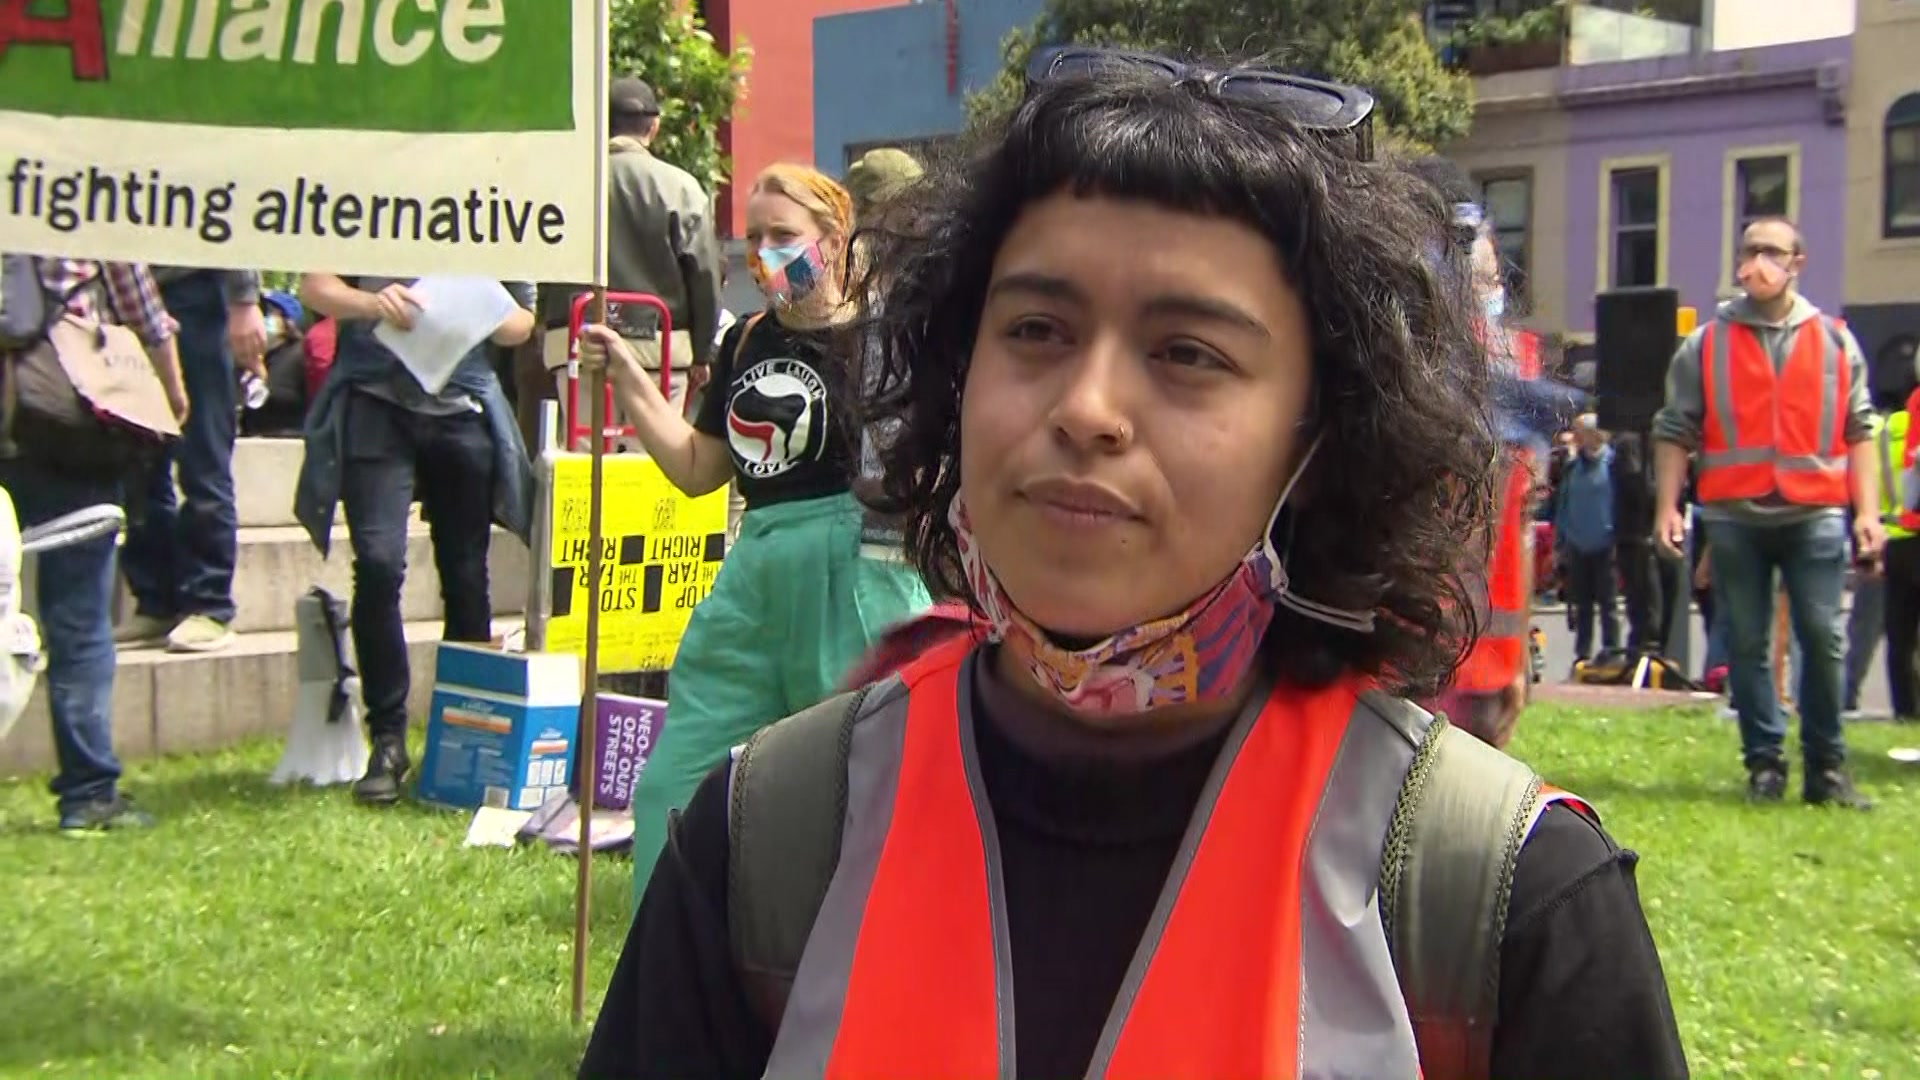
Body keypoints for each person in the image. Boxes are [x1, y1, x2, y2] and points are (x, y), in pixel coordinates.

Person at [581, 50, 1686, 1079]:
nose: (1088, 408)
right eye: (1037, 331)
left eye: (1189, 354)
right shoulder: (762, 845)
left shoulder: (1506, 908)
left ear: (1321, 436)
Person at [578, 163, 932, 896]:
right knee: (674, 786)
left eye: (783, 236)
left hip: (859, 574)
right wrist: (629, 380)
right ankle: (667, 986)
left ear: (833, 242)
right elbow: (697, 468)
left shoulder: (886, 336)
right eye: (752, 238)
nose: (764, 254)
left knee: (861, 796)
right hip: (755, 570)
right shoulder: (744, 340)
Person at [1653, 216, 1878, 808]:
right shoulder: (1706, 343)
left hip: (1816, 515)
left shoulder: (1834, 340)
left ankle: (1827, 768)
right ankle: (1765, 765)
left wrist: (1869, 514)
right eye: (1750, 250)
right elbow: (1674, 429)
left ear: (1797, 263)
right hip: (1735, 517)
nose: (1758, 261)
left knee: (1824, 639)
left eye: (1772, 251)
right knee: (1747, 646)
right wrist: (1668, 507)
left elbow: (1861, 430)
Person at [295, 274, 538, 804]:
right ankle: (387, 740)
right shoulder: (372, 199)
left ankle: (468, 734)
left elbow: (523, 320)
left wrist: (480, 310)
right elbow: (312, 285)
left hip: (462, 411)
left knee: (466, 574)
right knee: (379, 567)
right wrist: (370, 303)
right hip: (372, 403)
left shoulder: (495, 208)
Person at [1, 258, 186, 832]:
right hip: (62, 430)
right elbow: (146, 316)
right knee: (79, 616)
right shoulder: (81, 202)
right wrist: (173, 397)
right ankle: (88, 793)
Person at [536, 77, 723, 432]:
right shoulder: (681, 188)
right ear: (654, 127)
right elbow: (704, 275)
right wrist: (702, 353)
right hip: (660, 349)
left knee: (587, 457)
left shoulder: (564, 183)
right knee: (653, 460)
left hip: (579, 343)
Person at [117, 268, 266, 654]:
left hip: (197, 285)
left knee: (204, 456)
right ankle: (156, 598)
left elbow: (236, 212)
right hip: (130, 290)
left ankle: (209, 603)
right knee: (138, 461)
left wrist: (244, 299)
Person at [1556, 414, 1619, 665]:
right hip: (1577, 545)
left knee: (1608, 603)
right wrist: (1560, 543)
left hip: (1605, 544)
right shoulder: (1572, 468)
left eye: (1579, 432)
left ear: (1594, 435)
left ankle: (1612, 650)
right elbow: (1563, 505)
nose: (1575, 438)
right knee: (1582, 604)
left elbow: (1619, 505)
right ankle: (1582, 653)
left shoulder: (1613, 464)